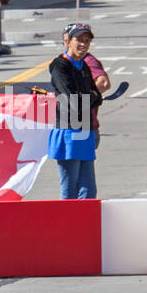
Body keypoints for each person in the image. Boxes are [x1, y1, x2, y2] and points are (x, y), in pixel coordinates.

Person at [49, 22, 102, 199]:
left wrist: (89, 97)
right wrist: (90, 96)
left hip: (85, 129)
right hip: (68, 130)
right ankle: (67, 225)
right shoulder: (60, 66)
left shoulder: (84, 65)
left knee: (88, 190)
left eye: (87, 41)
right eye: (79, 40)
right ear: (67, 41)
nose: (83, 44)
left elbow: (97, 97)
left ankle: (84, 225)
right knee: (70, 188)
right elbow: (71, 98)